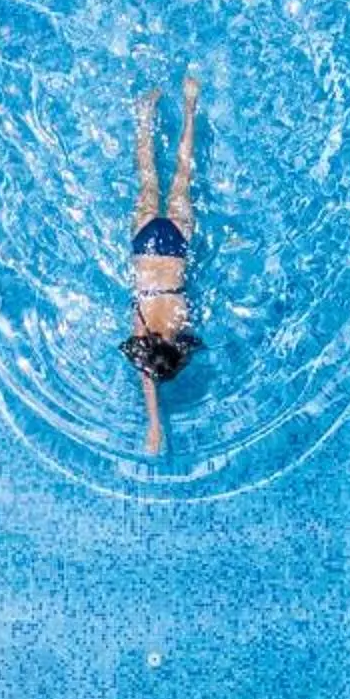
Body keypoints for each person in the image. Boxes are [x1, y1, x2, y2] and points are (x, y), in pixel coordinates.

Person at [122, 74, 201, 458]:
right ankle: (147, 112)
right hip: (145, 242)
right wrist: (155, 423)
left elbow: (151, 373)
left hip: (176, 244)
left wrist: (155, 424)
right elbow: (146, 375)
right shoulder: (141, 322)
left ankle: (189, 108)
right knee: (149, 177)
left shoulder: (178, 323)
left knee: (182, 173)